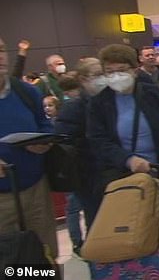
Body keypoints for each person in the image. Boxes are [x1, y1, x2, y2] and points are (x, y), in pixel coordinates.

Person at [86, 44, 159, 222]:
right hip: (123, 179)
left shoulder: (153, 94)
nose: (116, 76)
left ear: (134, 70)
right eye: (109, 71)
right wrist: (127, 159)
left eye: (121, 70)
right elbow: (98, 140)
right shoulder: (99, 103)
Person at [0, 36, 57, 258]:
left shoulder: (27, 92)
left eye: (2, 50)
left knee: (45, 254)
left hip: (36, 189)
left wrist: (45, 141)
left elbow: (44, 125)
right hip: (3, 199)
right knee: (10, 262)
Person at [54, 58, 107, 254]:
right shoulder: (74, 107)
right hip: (89, 176)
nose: (103, 79)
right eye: (97, 75)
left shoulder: (108, 101)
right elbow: (63, 143)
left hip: (111, 173)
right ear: (83, 79)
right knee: (96, 223)